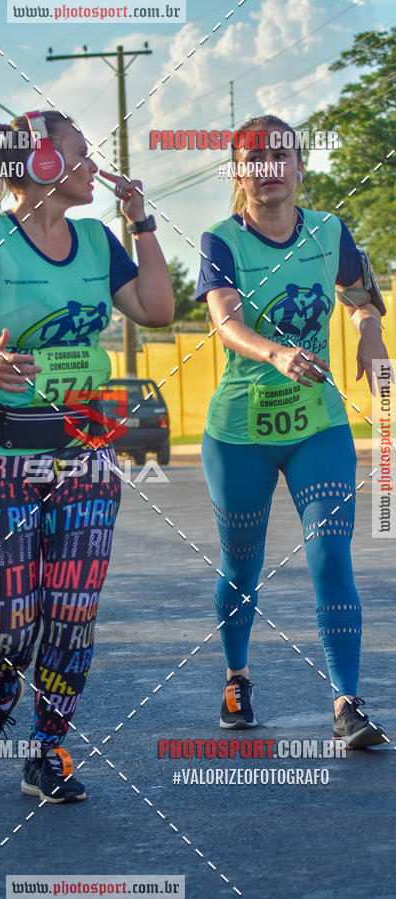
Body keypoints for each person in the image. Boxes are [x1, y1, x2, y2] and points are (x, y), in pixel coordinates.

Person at [0, 110, 173, 801]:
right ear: (43, 165)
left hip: (87, 451)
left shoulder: (97, 241)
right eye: (81, 155)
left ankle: (48, 750)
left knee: (73, 612)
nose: (95, 166)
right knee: (11, 622)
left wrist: (140, 221)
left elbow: (155, 309)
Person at [195, 114, 390, 749]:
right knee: (241, 568)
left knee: (331, 554)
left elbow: (363, 295)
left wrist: (370, 331)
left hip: (317, 423)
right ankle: (236, 676)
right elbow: (225, 322)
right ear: (239, 172)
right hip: (240, 431)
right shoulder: (220, 240)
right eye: (254, 158)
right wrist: (275, 353)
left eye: (280, 156)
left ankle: (347, 703)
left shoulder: (330, 232)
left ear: (299, 168)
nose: (268, 168)